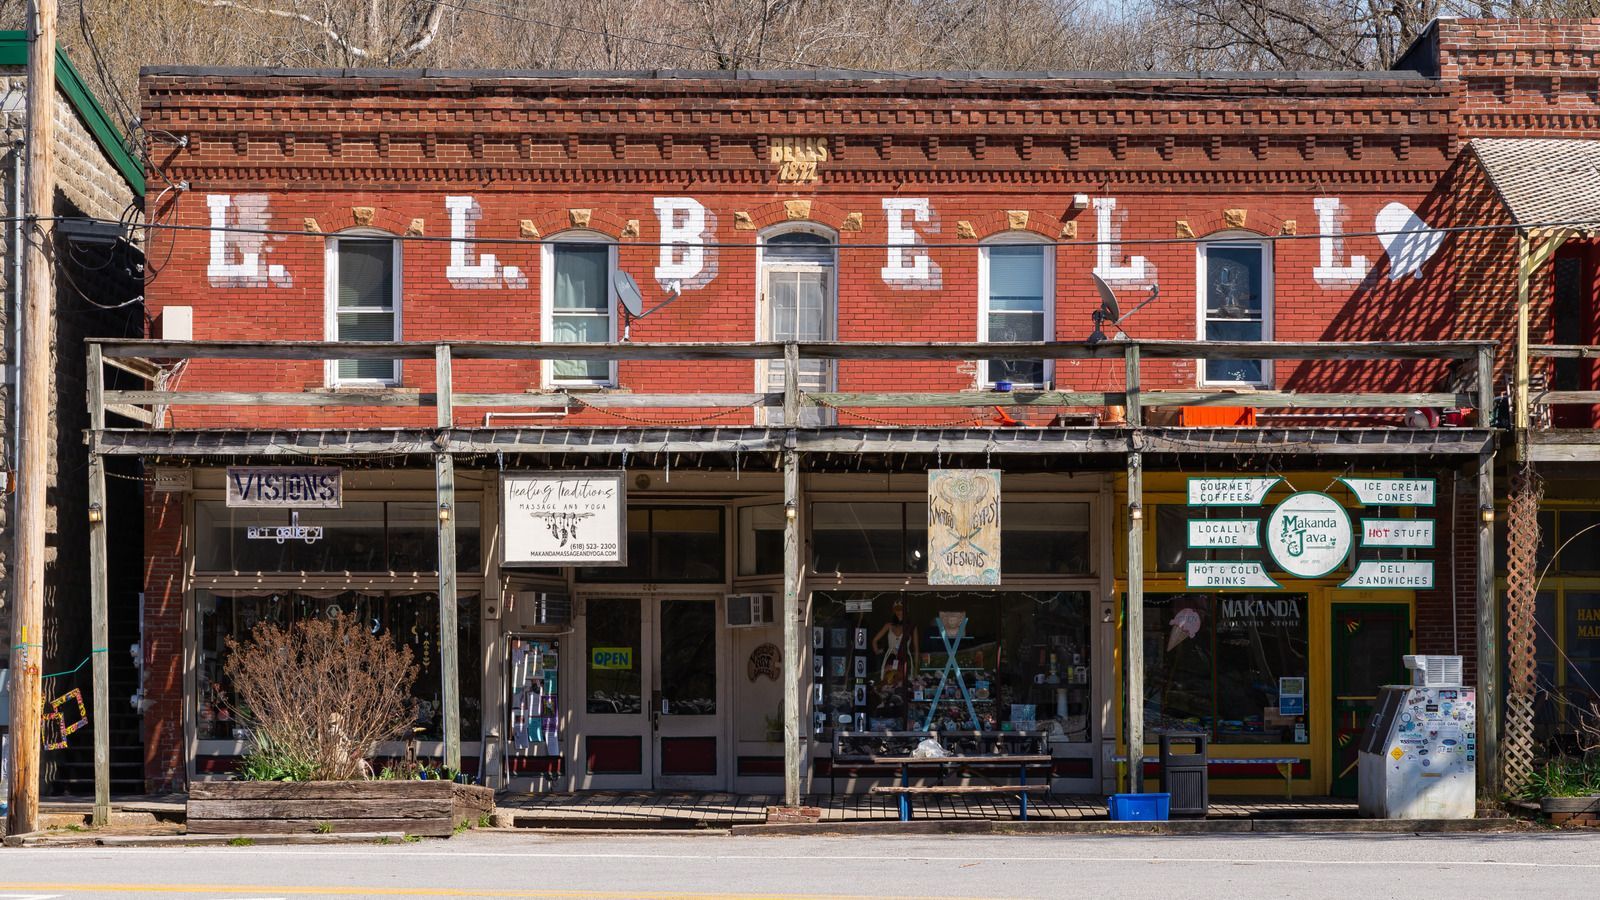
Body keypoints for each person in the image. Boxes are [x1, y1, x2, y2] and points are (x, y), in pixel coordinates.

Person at [872, 600, 919, 687]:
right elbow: (874, 640)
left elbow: (916, 649)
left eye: (901, 609)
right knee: (888, 682)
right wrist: (877, 652)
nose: (898, 612)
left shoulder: (911, 627)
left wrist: (916, 668)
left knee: (904, 684)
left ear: (906, 610)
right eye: (896, 609)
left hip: (904, 658)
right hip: (890, 658)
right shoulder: (888, 625)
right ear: (893, 611)